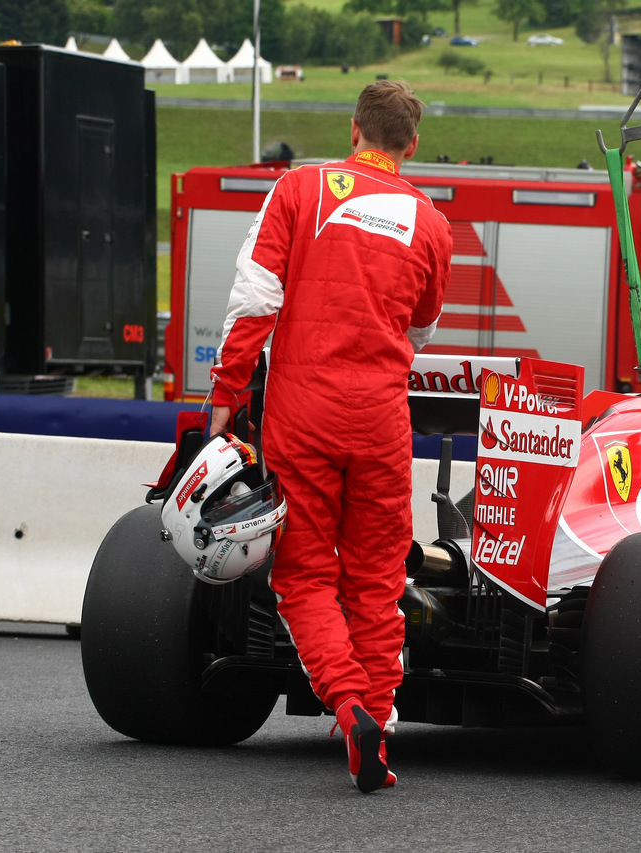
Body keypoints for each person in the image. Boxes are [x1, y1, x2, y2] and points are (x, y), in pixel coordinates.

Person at [208, 80, 452, 794]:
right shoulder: (431, 222)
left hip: (303, 414)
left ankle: (349, 709)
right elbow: (423, 326)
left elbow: (255, 300)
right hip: (380, 418)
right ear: (409, 146)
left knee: (305, 574)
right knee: (377, 581)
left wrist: (226, 398)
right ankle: (379, 728)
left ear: (354, 131)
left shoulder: (299, 189)